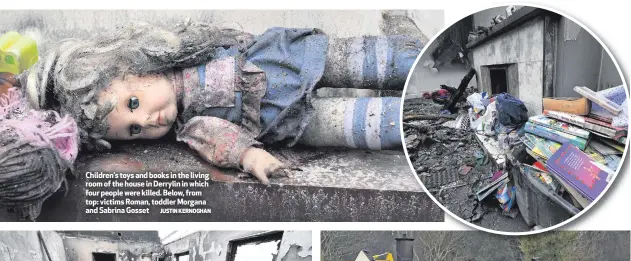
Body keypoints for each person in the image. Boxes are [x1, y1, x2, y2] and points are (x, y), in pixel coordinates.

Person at [24, 20, 422, 184]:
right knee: (369, 124)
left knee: (351, 59)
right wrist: (253, 158)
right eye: (134, 131)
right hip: (287, 120)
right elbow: (222, 143)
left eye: (133, 104)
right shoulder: (191, 126)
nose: (148, 120)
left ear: (132, 65)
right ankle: (415, 117)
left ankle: (411, 60)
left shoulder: (190, 50)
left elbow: (228, 40)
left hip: (283, 60)